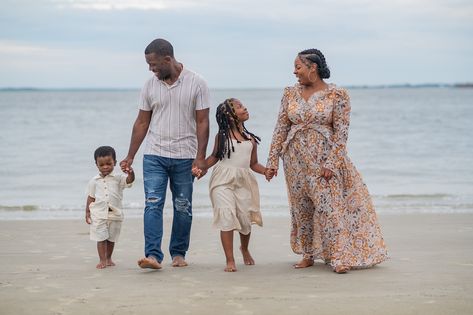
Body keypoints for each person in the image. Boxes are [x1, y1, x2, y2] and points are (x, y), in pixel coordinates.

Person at [266, 49, 387, 273]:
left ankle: (340, 257)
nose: (294, 72)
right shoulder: (290, 94)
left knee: (329, 208)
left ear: (313, 68)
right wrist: (272, 160)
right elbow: (281, 127)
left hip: (324, 160)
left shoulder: (337, 95)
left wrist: (332, 163)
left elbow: (341, 133)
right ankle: (308, 254)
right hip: (294, 160)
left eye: (298, 67)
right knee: (301, 207)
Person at [120, 38, 210, 270]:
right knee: (152, 204)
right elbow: (141, 122)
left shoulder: (197, 83)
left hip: (185, 156)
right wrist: (130, 156)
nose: (151, 69)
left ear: (168, 59)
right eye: (149, 65)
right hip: (154, 155)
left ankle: (178, 253)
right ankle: (153, 256)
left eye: (154, 64)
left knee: (182, 206)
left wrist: (201, 157)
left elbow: (202, 122)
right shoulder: (149, 86)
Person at [193, 98, 269, 272]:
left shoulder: (251, 140)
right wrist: (199, 167)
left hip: (244, 180)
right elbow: (213, 157)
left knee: (244, 219)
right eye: (240, 106)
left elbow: (253, 163)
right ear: (230, 115)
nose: (245, 107)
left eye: (243, 105)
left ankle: (244, 248)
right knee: (226, 215)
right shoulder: (222, 137)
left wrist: (265, 171)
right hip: (222, 180)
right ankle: (230, 259)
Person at [85, 146, 134, 269]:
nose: (105, 167)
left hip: (115, 214)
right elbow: (91, 197)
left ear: (115, 163)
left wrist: (131, 173)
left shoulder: (119, 178)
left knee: (111, 239)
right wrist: (87, 212)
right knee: (100, 238)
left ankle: (108, 258)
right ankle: (102, 260)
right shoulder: (93, 181)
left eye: (109, 163)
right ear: (96, 164)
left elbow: (129, 181)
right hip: (98, 214)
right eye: (101, 165)